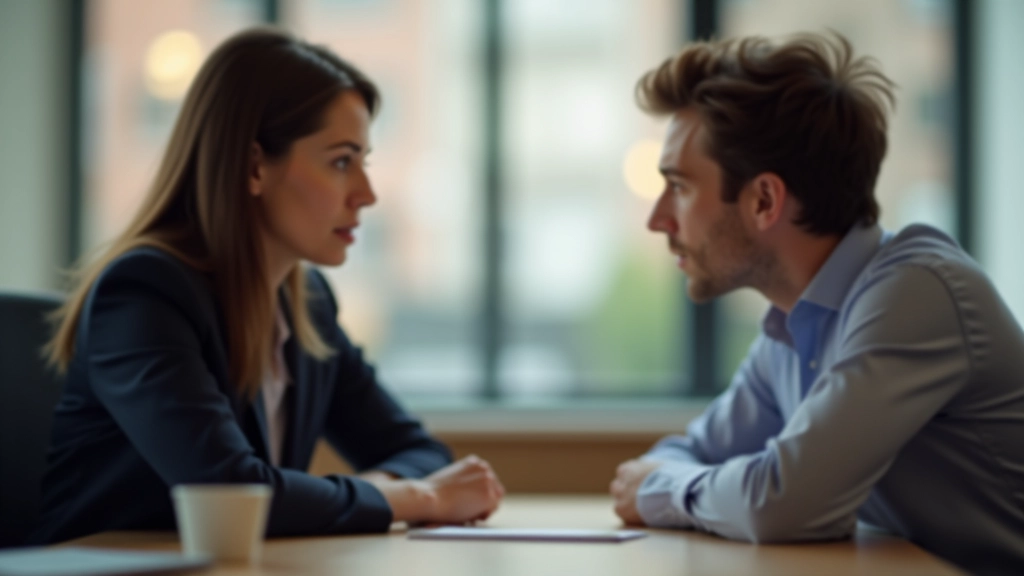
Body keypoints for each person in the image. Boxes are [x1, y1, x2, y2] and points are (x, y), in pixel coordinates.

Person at [30, 27, 504, 545]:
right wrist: (418, 497)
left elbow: (419, 452)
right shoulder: (144, 293)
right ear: (254, 165)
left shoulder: (307, 304)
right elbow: (231, 493)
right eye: (341, 161)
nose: (367, 195)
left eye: (363, 162)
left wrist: (361, 493)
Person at [608, 32, 1024, 574]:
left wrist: (660, 490)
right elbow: (687, 455)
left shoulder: (917, 293)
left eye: (680, 187)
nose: (657, 219)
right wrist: (668, 483)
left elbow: (783, 505)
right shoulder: (790, 326)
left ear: (764, 200)